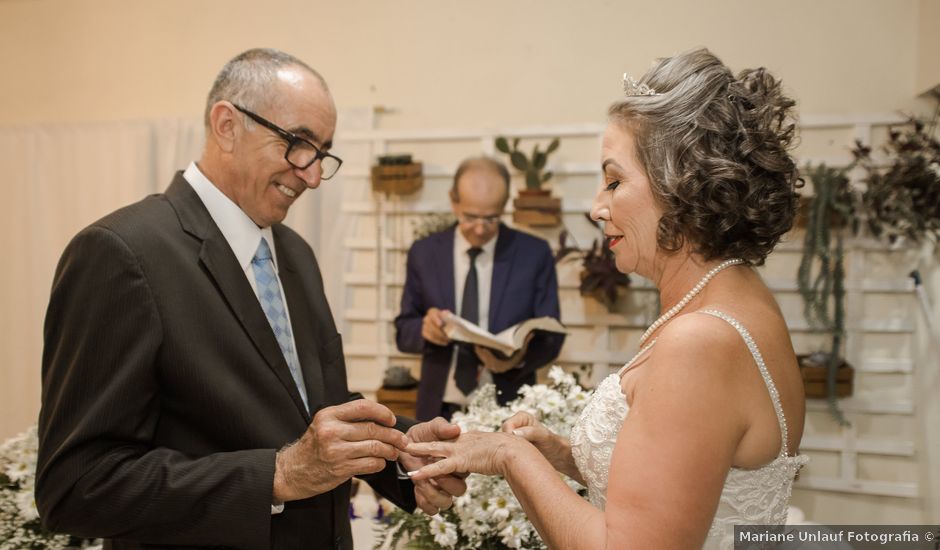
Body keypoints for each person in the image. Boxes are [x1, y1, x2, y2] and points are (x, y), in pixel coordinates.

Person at [36, 48, 464, 550]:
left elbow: (312, 404)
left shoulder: (295, 253)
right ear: (226, 125)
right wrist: (276, 476)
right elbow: (76, 486)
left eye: (321, 152)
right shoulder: (121, 253)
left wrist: (401, 457)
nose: (310, 174)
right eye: (298, 143)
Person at [405, 48, 808, 549]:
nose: (597, 207)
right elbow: (684, 483)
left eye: (614, 181)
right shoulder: (739, 298)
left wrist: (511, 455)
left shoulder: (700, 340)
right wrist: (561, 454)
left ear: (679, 187)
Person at [394, 157, 565, 421]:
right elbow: (404, 331)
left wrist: (516, 359)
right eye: (470, 217)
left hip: (509, 409)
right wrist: (424, 330)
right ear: (454, 201)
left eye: (491, 218)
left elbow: (552, 338)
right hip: (439, 409)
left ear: (504, 205)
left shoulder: (533, 254)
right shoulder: (424, 253)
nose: (480, 229)